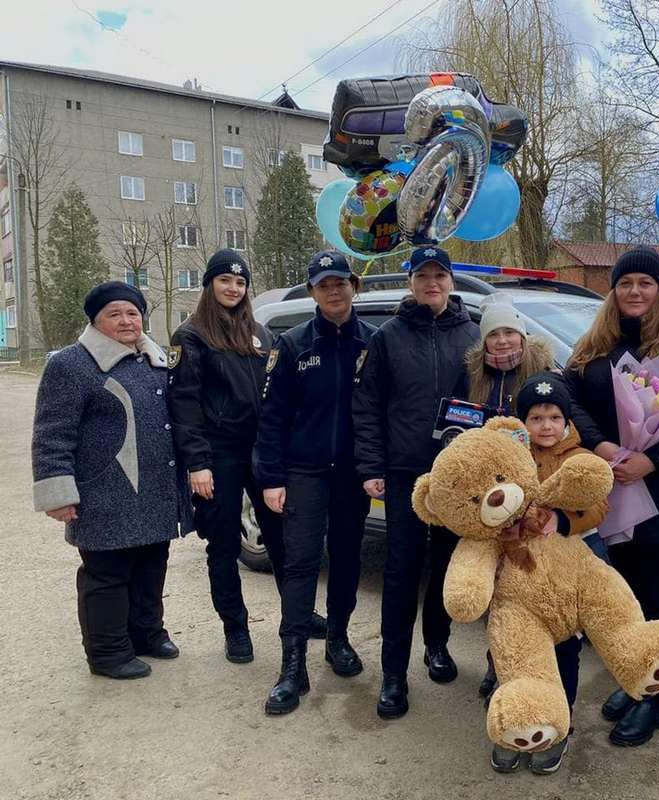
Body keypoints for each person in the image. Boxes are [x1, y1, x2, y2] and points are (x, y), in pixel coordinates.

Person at [563, 247, 659, 747]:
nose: (634, 292)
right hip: (613, 487)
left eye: (644, 284)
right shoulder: (595, 345)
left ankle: (657, 702)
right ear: (614, 291)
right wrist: (602, 444)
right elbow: (569, 400)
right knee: (624, 600)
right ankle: (635, 681)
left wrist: (655, 460)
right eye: (625, 283)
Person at [31, 281, 189, 679]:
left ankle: (147, 633)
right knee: (107, 574)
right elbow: (53, 433)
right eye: (114, 314)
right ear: (96, 321)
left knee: (152, 565)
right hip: (104, 492)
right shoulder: (71, 364)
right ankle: (107, 653)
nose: (126, 321)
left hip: (154, 488)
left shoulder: (155, 360)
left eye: (132, 313)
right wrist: (57, 492)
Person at [352, 245, 480, 720]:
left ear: (451, 281)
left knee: (447, 569)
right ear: (411, 282)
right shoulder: (387, 336)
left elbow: (486, 404)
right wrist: (371, 468)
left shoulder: (472, 336)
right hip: (404, 475)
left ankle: (437, 645)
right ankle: (392, 674)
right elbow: (366, 408)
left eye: (440, 275)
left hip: (455, 479)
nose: (432, 283)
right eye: (422, 275)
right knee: (401, 573)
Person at [253, 250, 376, 715]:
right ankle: (292, 665)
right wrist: (271, 477)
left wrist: (373, 468)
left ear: (353, 287)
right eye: (324, 284)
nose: (334, 290)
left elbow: (379, 413)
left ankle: (338, 640)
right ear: (312, 292)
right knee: (301, 565)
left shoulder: (373, 343)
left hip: (351, 475)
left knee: (346, 562)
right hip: (303, 473)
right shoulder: (294, 345)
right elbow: (273, 418)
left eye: (341, 282)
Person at [168, 248, 301, 664]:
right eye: (225, 280)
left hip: (261, 451)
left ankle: (297, 614)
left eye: (240, 282)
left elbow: (280, 391)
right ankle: (236, 629)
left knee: (282, 540)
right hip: (218, 453)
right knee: (223, 545)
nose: (233, 288)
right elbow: (184, 404)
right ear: (210, 285)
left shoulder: (260, 332)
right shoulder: (191, 335)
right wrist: (198, 463)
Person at [483, 371, 610, 775]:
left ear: (567, 421)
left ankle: (558, 723)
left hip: (563, 572)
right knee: (513, 649)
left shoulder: (579, 458)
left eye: (554, 417)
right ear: (523, 422)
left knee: (563, 648)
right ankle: (514, 724)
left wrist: (563, 518)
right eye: (536, 418)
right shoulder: (510, 457)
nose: (546, 426)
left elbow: (599, 504)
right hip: (518, 571)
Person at [462, 296, 556, 698]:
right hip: (492, 502)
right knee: (498, 589)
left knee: (530, 584)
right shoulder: (476, 377)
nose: (501, 342)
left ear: (522, 335)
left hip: (534, 498)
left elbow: (558, 429)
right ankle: (496, 662)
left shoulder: (545, 374)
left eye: (508, 333)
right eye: (493, 335)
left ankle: (534, 667)